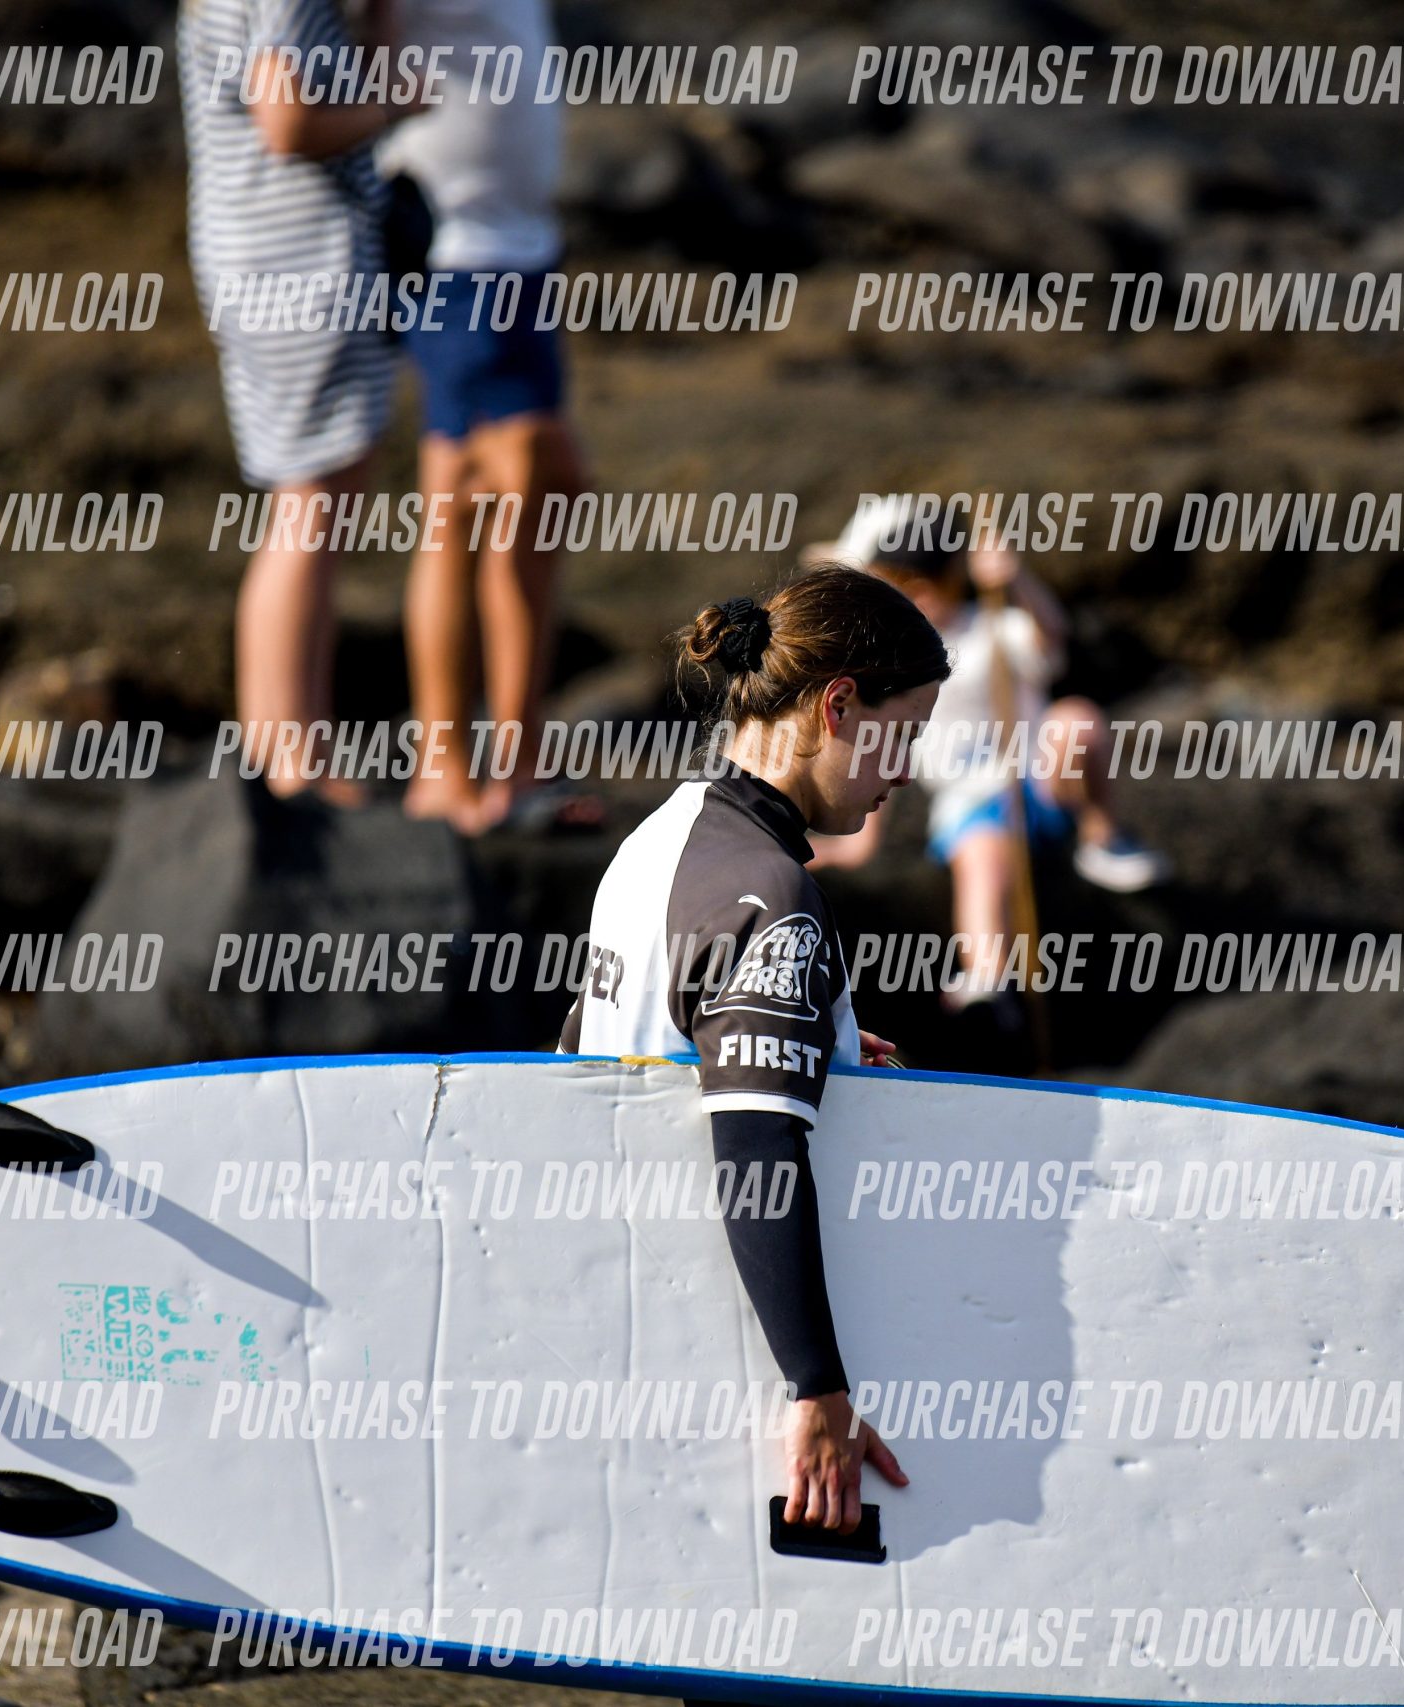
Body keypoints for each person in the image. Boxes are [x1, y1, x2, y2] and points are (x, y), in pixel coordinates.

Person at [556, 566, 949, 1536]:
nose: (905, 772)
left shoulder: (657, 842)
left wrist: (818, 1043)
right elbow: (755, 1156)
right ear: (838, 704)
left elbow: (583, 1056)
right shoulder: (768, 889)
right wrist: (818, 1389)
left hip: (626, 1336)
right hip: (744, 1378)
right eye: (905, 734)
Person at [808, 496, 1170, 1022]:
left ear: (954, 579)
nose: (917, 594)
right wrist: (860, 841)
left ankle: (1102, 838)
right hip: (971, 799)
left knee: (1077, 720)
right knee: (984, 861)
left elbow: (1051, 639)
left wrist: (1015, 579)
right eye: (900, 584)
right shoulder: (895, 661)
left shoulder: (994, 626)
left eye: (928, 583)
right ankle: (988, 976)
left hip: (1037, 780)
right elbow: (885, 746)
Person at [179, 0, 412, 801]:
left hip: (253, 255)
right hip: (301, 265)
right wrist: (394, 105)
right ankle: (293, 760)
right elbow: (286, 122)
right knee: (311, 507)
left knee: (308, 503)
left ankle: (291, 743)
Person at [378, 0, 590, 834]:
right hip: (451, 247)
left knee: (494, 499)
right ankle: (464, 764)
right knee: (510, 484)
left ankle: (491, 763)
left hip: (522, 246)